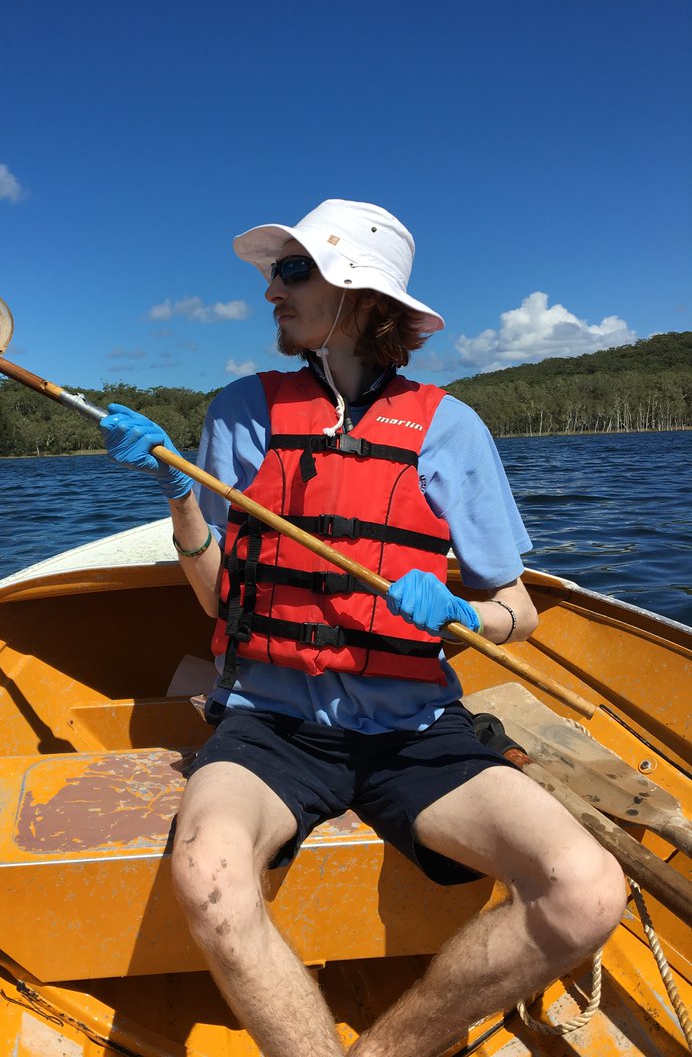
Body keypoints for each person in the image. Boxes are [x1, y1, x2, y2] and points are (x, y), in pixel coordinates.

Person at [100, 199, 625, 1057]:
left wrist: (463, 610)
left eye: (295, 271)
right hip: (270, 723)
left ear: (361, 298)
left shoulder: (451, 429)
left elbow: (517, 611)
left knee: (587, 891)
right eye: (276, 271)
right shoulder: (241, 410)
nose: (271, 289)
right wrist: (175, 491)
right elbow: (211, 601)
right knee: (207, 874)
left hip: (417, 731)